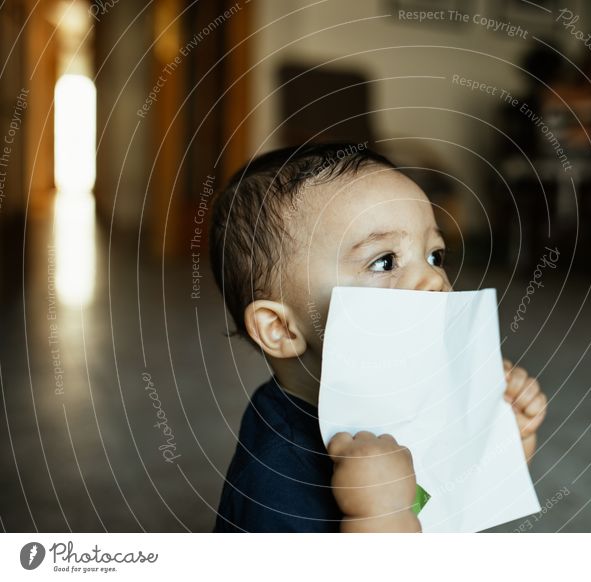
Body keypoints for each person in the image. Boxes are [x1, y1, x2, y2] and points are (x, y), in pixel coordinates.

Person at [210, 142, 547, 532]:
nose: (435, 280)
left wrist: (502, 440)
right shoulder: (275, 478)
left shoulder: (402, 396)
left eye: (436, 255)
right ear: (281, 329)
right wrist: (379, 515)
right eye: (384, 261)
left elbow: (449, 499)